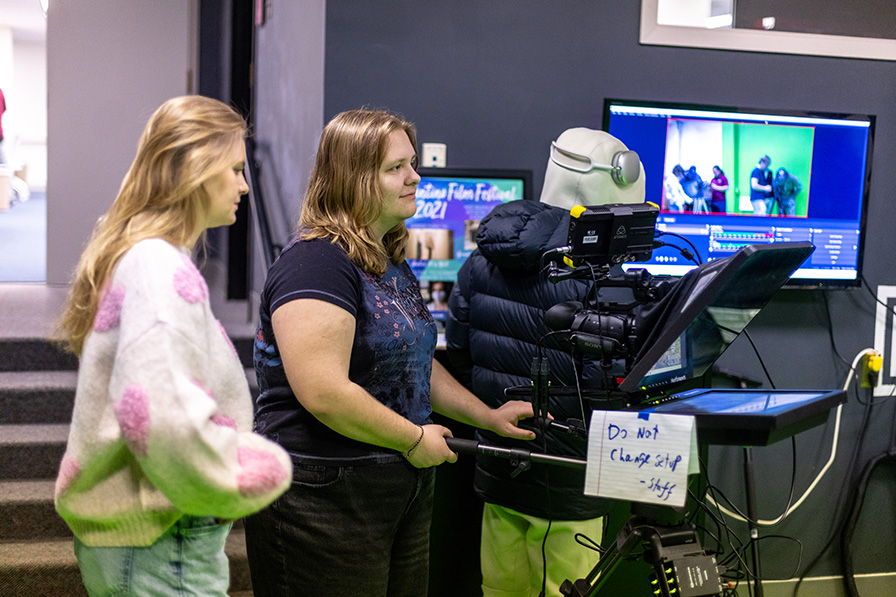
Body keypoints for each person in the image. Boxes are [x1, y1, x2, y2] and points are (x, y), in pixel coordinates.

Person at [245, 108, 535, 597]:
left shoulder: (387, 260)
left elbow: (413, 365)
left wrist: (486, 416)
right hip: (323, 495)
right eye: (396, 168)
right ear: (353, 179)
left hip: (396, 485)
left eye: (413, 163)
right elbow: (324, 392)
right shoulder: (315, 264)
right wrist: (413, 440)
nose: (415, 177)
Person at [53, 95, 293, 596]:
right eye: (233, 169)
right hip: (163, 537)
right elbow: (160, 417)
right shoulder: (159, 267)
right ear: (195, 170)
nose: (245, 185)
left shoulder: (145, 257)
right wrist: (243, 467)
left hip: (148, 535)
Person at [446, 128, 643, 597]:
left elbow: (458, 355)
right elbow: (621, 379)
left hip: (500, 462)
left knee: (500, 587)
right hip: (571, 476)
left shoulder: (482, 259)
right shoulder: (607, 276)